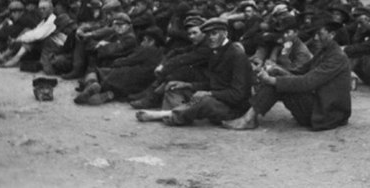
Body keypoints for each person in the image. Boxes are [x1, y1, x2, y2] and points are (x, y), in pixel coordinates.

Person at [222, 19, 351, 131]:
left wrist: (273, 80)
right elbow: (301, 71)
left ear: (332, 34)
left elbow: (308, 82)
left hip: (328, 114)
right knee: (276, 77)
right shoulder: (326, 51)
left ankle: (249, 118)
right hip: (323, 105)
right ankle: (248, 115)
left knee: (276, 85)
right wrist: (276, 70)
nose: (316, 38)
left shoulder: (337, 57)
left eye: (320, 34)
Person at [136, 17, 253, 126]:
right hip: (216, 99)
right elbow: (214, 83)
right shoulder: (215, 51)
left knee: (204, 100)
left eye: (214, 34)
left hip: (233, 109)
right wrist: (189, 85)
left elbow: (239, 94)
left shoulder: (236, 55)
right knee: (174, 87)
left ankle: (168, 114)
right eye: (207, 35)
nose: (210, 38)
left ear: (225, 33)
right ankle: (179, 114)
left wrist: (210, 93)